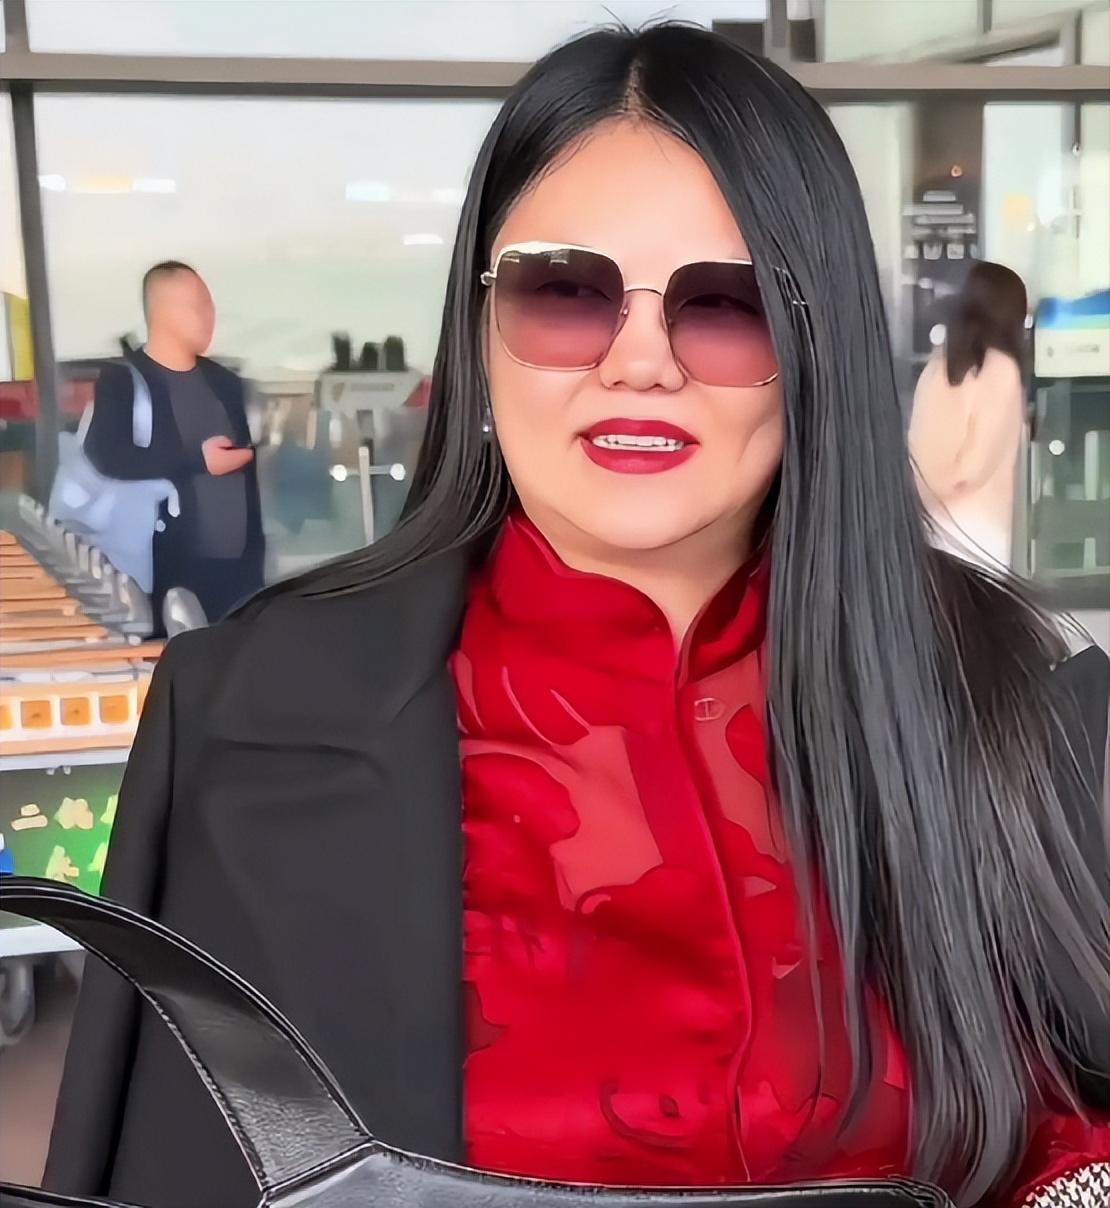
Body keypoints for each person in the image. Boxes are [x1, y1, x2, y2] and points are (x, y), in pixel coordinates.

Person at [45, 25, 1108, 1208]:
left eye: (727, 304)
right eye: (566, 292)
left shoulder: (1018, 701)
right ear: (481, 324)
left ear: (818, 348)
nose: (639, 361)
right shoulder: (250, 717)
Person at [83, 261, 265, 626]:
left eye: (210, 305)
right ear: (162, 311)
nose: (209, 316)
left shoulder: (225, 382)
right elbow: (107, 456)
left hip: (238, 573)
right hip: (165, 566)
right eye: (197, 306)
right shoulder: (124, 381)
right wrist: (197, 460)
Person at [909, 261, 1028, 569]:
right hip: (978, 530)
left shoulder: (937, 368)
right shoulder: (1001, 370)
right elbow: (975, 465)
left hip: (929, 523)